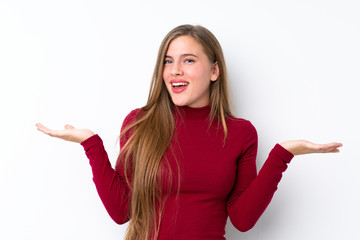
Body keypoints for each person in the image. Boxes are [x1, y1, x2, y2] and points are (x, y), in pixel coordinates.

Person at [36, 24, 342, 240]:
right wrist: (91, 144)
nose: (175, 70)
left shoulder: (240, 133)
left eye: (188, 60)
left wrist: (282, 156)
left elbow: (242, 220)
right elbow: (121, 211)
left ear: (214, 71)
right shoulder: (139, 123)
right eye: (168, 61)